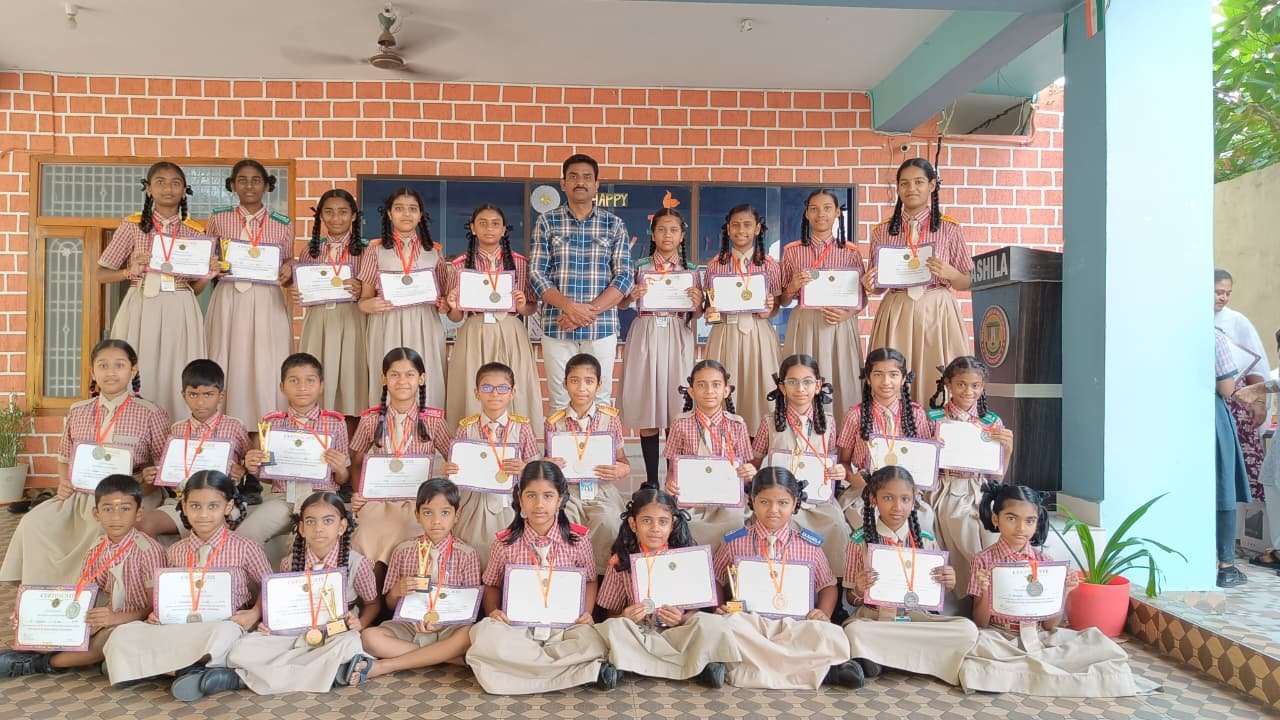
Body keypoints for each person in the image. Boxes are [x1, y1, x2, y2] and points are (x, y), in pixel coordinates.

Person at [0, 340, 170, 585]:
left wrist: (142, 487)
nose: (110, 372)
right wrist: (63, 483)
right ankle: (42, 592)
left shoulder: (151, 412)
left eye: (119, 365)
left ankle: (88, 593)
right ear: (92, 371)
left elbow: (163, 469)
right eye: (103, 365)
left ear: (133, 370)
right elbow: (64, 458)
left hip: (131, 494)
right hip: (81, 494)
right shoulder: (78, 410)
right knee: (33, 522)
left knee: (101, 524)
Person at [960, 483, 1150, 696]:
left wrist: (1064, 591)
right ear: (996, 519)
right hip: (1000, 638)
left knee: (1099, 644)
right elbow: (980, 622)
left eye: (1029, 521)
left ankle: (1024, 671)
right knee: (973, 649)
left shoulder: (1046, 562)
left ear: (1037, 522)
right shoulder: (983, 561)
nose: (1021, 528)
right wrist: (986, 590)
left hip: (1040, 636)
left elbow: (1050, 625)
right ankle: (1034, 670)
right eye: (1011, 518)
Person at [102, 471, 270, 701]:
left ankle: (151, 667)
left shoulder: (245, 547)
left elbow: (268, 585)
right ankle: (190, 670)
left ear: (228, 506)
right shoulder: (176, 551)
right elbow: (168, 594)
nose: (203, 514)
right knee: (124, 633)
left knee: (225, 635)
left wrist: (255, 613)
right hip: (180, 624)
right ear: (184, 506)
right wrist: (158, 614)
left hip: (221, 623)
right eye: (195, 506)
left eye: (213, 506)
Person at [465, 462, 617, 694]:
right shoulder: (505, 543)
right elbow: (492, 584)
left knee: (594, 640)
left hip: (565, 628)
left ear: (560, 499)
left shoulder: (578, 540)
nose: (539, 504)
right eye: (531, 496)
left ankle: (520, 674)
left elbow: (589, 580)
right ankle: (574, 672)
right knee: (484, 633)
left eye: (548, 496)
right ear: (520, 499)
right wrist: (494, 612)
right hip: (519, 629)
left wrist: (586, 614)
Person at [712, 468, 862, 690]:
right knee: (726, 625)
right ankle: (820, 671)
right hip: (751, 624)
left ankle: (749, 666)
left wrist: (823, 614)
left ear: (795, 504)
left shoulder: (809, 546)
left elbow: (828, 586)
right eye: (764, 502)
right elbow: (716, 579)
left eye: (782, 503)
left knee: (831, 633)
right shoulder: (735, 542)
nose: (773, 510)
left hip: (795, 625)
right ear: (752, 501)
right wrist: (720, 607)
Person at [0, 475, 165, 677]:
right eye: (108, 509)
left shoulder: (148, 551)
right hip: (110, 615)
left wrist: (115, 618)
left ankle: (40, 664)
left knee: (105, 640)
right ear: (96, 514)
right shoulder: (96, 549)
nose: (116, 517)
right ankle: (37, 649)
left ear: (138, 513)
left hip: (142, 621)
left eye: (125, 509)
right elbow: (80, 595)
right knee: (60, 628)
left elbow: (153, 607)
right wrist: (33, 616)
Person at [222, 492, 381, 695]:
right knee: (242, 648)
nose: (319, 528)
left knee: (350, 645)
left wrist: (361, 624)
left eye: (328, 521)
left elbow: (372, 603)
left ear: (341, 526)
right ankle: (319, 673)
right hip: (295, 634)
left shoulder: (357, 564)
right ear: (302, 528)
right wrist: (270, 625)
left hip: (336, 634)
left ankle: (256, 677)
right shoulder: (289, 563)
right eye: (311, 521)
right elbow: (282, 608)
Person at [97, 161, 214, 421]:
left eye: (175, 183)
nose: (168, 188)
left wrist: (208, 275)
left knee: (178, 368)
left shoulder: (196, 232)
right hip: (142, 303)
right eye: (160, 182)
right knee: (142, 366)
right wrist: (129, 271)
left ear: (184, 190)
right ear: (148, 189)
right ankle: (136, 427)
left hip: (181, 306)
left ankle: (178, 430)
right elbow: (100, 274)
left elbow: (195, 289)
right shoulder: (132, 226)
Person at [841, 466, 977, 686]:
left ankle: (880, 657)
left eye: (905, 499)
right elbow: (851, 599)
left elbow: (935, 596)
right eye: (888, 498)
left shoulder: (926, 540)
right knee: (853, 631)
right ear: (874, 499)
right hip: (875, 619)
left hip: (915, 619)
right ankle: (915, 658)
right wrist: (858, 589)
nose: (897, 507)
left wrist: (948, 583)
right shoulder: (859, 541)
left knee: (967, 629)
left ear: (914, 501)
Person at [593, 486, 741, 687]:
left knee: (711, 623)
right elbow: (611, 614)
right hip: (640, 633)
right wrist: (625, 616)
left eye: (663, 522)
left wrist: (682, 619)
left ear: (673, 524)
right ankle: (697, 666)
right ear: (633, 524)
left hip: (678, 634)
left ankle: (627, 664)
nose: (655, 528)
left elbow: (697, 611)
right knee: (614, 627)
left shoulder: (687, 558)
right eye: (647, 521)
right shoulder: (620, 562)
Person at [863, 159, 973, 406]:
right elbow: (878, 285)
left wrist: (951, 273)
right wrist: (871, 284)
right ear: (898, 188)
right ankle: (891, 424)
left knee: (937, 374)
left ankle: (935, 425)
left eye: (918, 182)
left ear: (932, 185)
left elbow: (966, 281)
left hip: (937, 308)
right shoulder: (882, 230)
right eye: (904, 183)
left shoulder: (949, 227)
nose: (911, 188)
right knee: (892, 375)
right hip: (896, 309)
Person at [529, 153, 634, 409]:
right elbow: (536, 274)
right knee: (560, 400)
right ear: (563, 183)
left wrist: (585, 313)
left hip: (601, 328)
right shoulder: (546, 222)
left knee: (600, 399)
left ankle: (599, 440)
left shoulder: (614, 224)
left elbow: (624, 277)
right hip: (558, 326)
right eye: (573, 176)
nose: (580, 182)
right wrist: (569, 307)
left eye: (587, 177)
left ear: (596, 184)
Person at [360, 478, 482, 679]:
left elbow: (470, 608)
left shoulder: (467, 554)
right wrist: (396, 591)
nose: (436, 521)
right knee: (369, 637)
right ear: (417, 515)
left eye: (445, 513)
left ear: (457, 515)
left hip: (450, 628)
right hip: (409, 624)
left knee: (468, 635)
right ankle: (448, 657)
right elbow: (390, 605)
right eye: (427, 513)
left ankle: (389, 664)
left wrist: (442, 624)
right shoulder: (403, 550)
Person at [205, 159, 294, 431]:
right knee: (227, 356)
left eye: (256, 180)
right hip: (229, 297)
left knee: (267, 360)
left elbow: (288, 263)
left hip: (267, 298)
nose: (249, 186)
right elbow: (207, 259)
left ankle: (268, 427)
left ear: (267, 185)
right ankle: (223, 426)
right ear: (232, 185)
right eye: (242, 180)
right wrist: (211, 264)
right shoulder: (219, 218)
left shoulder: (282, 223)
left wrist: (290, 268)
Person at [349, 348, 456, 574]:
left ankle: (404, 590)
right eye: (394, 374)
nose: (402, 381)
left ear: (421, 379)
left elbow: (453, 459)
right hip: (379, 501)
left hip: (417, 502)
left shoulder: (434, 421)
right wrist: (359, 495)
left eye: (409, 374)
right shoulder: (370, 419)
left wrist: (445, 473)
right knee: (367, 530)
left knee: (413, 530)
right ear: (384, 378)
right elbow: (356, 461)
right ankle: (374, 591)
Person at [618, 208, 703, 487]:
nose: (668, 235)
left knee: (676, 405)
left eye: (674, 230)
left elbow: (698, 314)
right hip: (646, 331)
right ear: (653, 234)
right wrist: (631, 295)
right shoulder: (639, 266)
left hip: (678, 333)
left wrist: (698, 302)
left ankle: (672, 479)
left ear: (682, 235)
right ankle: (652, 481)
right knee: (648, 405)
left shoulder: (691, 270)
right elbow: (621, 303)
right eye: (662, 229)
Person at [443, 204, 543, 430]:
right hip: (474, 330)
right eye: (483, 223)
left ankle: (517, 438)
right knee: (472, 385)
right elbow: (456, 317)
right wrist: (453, 305)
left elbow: (530, 309)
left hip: (510, 330)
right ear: (473, 228)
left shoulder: (520, 263)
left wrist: (521, 305)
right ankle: (471, 438)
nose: (489, 228)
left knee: (514, 385)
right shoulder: (458, 265)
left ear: (504, 229)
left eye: (495, 224)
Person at [752, 354, 852, 574]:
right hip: (780, 501)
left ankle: (831, 582)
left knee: (836, 523)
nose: (800, 388)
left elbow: (831, 460)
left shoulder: (829, 423)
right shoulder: (769, 423)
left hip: (817, 501)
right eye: (792, 382)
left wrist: (836, 471)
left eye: (807, 382)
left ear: (818, 386)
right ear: (782, 387)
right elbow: (755, 462)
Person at [926, 356, 1013, 600]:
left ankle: (991, 596)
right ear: (948, 384)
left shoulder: (991, 422)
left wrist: (1008, 450)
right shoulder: (934, 418)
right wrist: (929, 449)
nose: (968, 391)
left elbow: (996, 477)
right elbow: (922, 469)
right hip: (945, 486)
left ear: (982, 386)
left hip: (979, 487)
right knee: (961, 524)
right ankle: (964, 597)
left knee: (992, 528)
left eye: (975, 385)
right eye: (961, 384)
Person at [241, 354, 352, 543]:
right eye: (294, 381)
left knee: (317, 540)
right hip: (283, 498)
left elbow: (342, 478)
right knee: (245, 536)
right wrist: (253, 469)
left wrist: (341, 469)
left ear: (321, 386)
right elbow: (267, 476)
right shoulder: (271, 423)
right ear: (282, 387)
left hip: (322, 497)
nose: (302, 387)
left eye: (310, 380)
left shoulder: (335, 423)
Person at [357, 187, 450, 408]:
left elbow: (444, 297)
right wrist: (370, 304)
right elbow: (363, 300)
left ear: (420, 214)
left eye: (412, 209)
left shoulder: (434, 250)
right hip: (387, 321)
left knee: (426, 375)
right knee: (389, 376)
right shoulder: (375, 249)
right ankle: (385, 426)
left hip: (424, 323)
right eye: (399, 209)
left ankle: (428, 427)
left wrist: (444, 304)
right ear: (390, 214)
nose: (406, 214)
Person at [138, 359, 250, 541]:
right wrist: (155, 475)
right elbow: (170, 470)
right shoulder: (177, 429)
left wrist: (242, 471)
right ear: (184, 395)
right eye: (193, 394)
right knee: (145, 524)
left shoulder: (234, 426)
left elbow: (250, 464)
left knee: (212, 527)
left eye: (208, 394)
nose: (200, 402)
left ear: (221, 396)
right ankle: (169, 560)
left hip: (221, 502)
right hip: (183, 501)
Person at [779, 189, 866, 422]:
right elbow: (783, 300)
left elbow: (862, 298)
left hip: (839, 324)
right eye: (814, 209)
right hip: (804, 323)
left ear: (837, 212)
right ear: (807, 213)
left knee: (841, 377)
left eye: (827, 208)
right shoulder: (792, 251)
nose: (821, 214)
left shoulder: (850, 252)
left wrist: (847, 315)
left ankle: (843, 430)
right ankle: (799, 428)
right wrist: (792, 286)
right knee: (802, 377)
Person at [543, 353, 631, 572]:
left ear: (599, 385)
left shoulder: (610, 419)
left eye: (589, 381)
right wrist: (547, 464)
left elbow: (623, 460)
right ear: (565, 384)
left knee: (608, 520)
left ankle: (602, 575)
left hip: (601, 489)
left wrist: (621, 469)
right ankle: (571, 572)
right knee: (564, 520)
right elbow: (548, 464)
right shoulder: (554, 423)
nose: (581, 388)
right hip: (568, 491)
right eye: (574, 380)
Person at [836, 347, 937, 536]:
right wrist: (852, 478)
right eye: (878, 374)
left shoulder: (916, 413)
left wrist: (933, 448)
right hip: (866, 493)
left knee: (923, 520)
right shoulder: (855, 415)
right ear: (868, 378)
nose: (886, 381)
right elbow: (843, 462)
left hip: (905, 493)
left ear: (903, 378)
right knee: (868, 524)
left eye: (893, 375)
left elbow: (924, 462)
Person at [703, 204, 783, 434]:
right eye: (736, 225)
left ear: (757, 228)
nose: (741, 230)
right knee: (723, 390)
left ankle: (758, 446)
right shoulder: (715, 264)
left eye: (747, 225)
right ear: (728, 229)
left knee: (760, 392)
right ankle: (724, 443)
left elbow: (776, 306)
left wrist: (770, 308)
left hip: (758, 333)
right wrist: (711, 312)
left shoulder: (770, 264)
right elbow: (709, 306)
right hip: (725, 333)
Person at [451, 362, 539, 566]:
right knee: (472, 548)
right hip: (474, 502)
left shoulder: (522, 427)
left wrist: (524, 468)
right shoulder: (466, 428)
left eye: (502, 388)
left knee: (510, 550)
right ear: (476, 392)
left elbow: (537, 471)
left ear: (512, 393)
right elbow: (457, 470)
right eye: (486, 387)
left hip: (510, 502)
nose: (494, 394)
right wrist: (451, 471)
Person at [663, 360, 757, 550]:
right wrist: (670, 483)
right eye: (701, 385)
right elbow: (673, 469)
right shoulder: (680, 424)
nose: (709, 391)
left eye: (716, 385)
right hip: (692, 499)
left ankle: (727, 564)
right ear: (691, 391)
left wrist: (749, 473)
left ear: (726, 390)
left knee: (735, 518)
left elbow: (745, 471)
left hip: (728, 498)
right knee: (686, 522)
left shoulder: (737, 424)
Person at [295, 189, 368, 420]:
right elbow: (302, 288)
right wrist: (299, 293)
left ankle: (352, 437)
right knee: (316, 373)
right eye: (329, 212)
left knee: (352, 380)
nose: (336, 218)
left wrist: (362, 289)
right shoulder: (310, 250)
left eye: (343, 212)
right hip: (318, 320)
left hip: (352, 319)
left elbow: (375, 289)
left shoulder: (367, 250)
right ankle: (317, 429)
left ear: (353, 215)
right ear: (320, 216)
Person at [1214, 269, 1270, 507]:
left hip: (1236, 399)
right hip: (1211, 398)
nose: (1223, 298)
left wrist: (1259, 402)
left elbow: (1255, 363)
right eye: (1218, 292)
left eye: (1228, 293)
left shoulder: (1236, 321)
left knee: (1240, 465)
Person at [1214, 328, 1251, 587]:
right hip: (1212, 414)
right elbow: (1226, 388)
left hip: (1176, 413)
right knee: (1223, 484)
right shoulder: (1214, 337)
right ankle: (1226, 566)